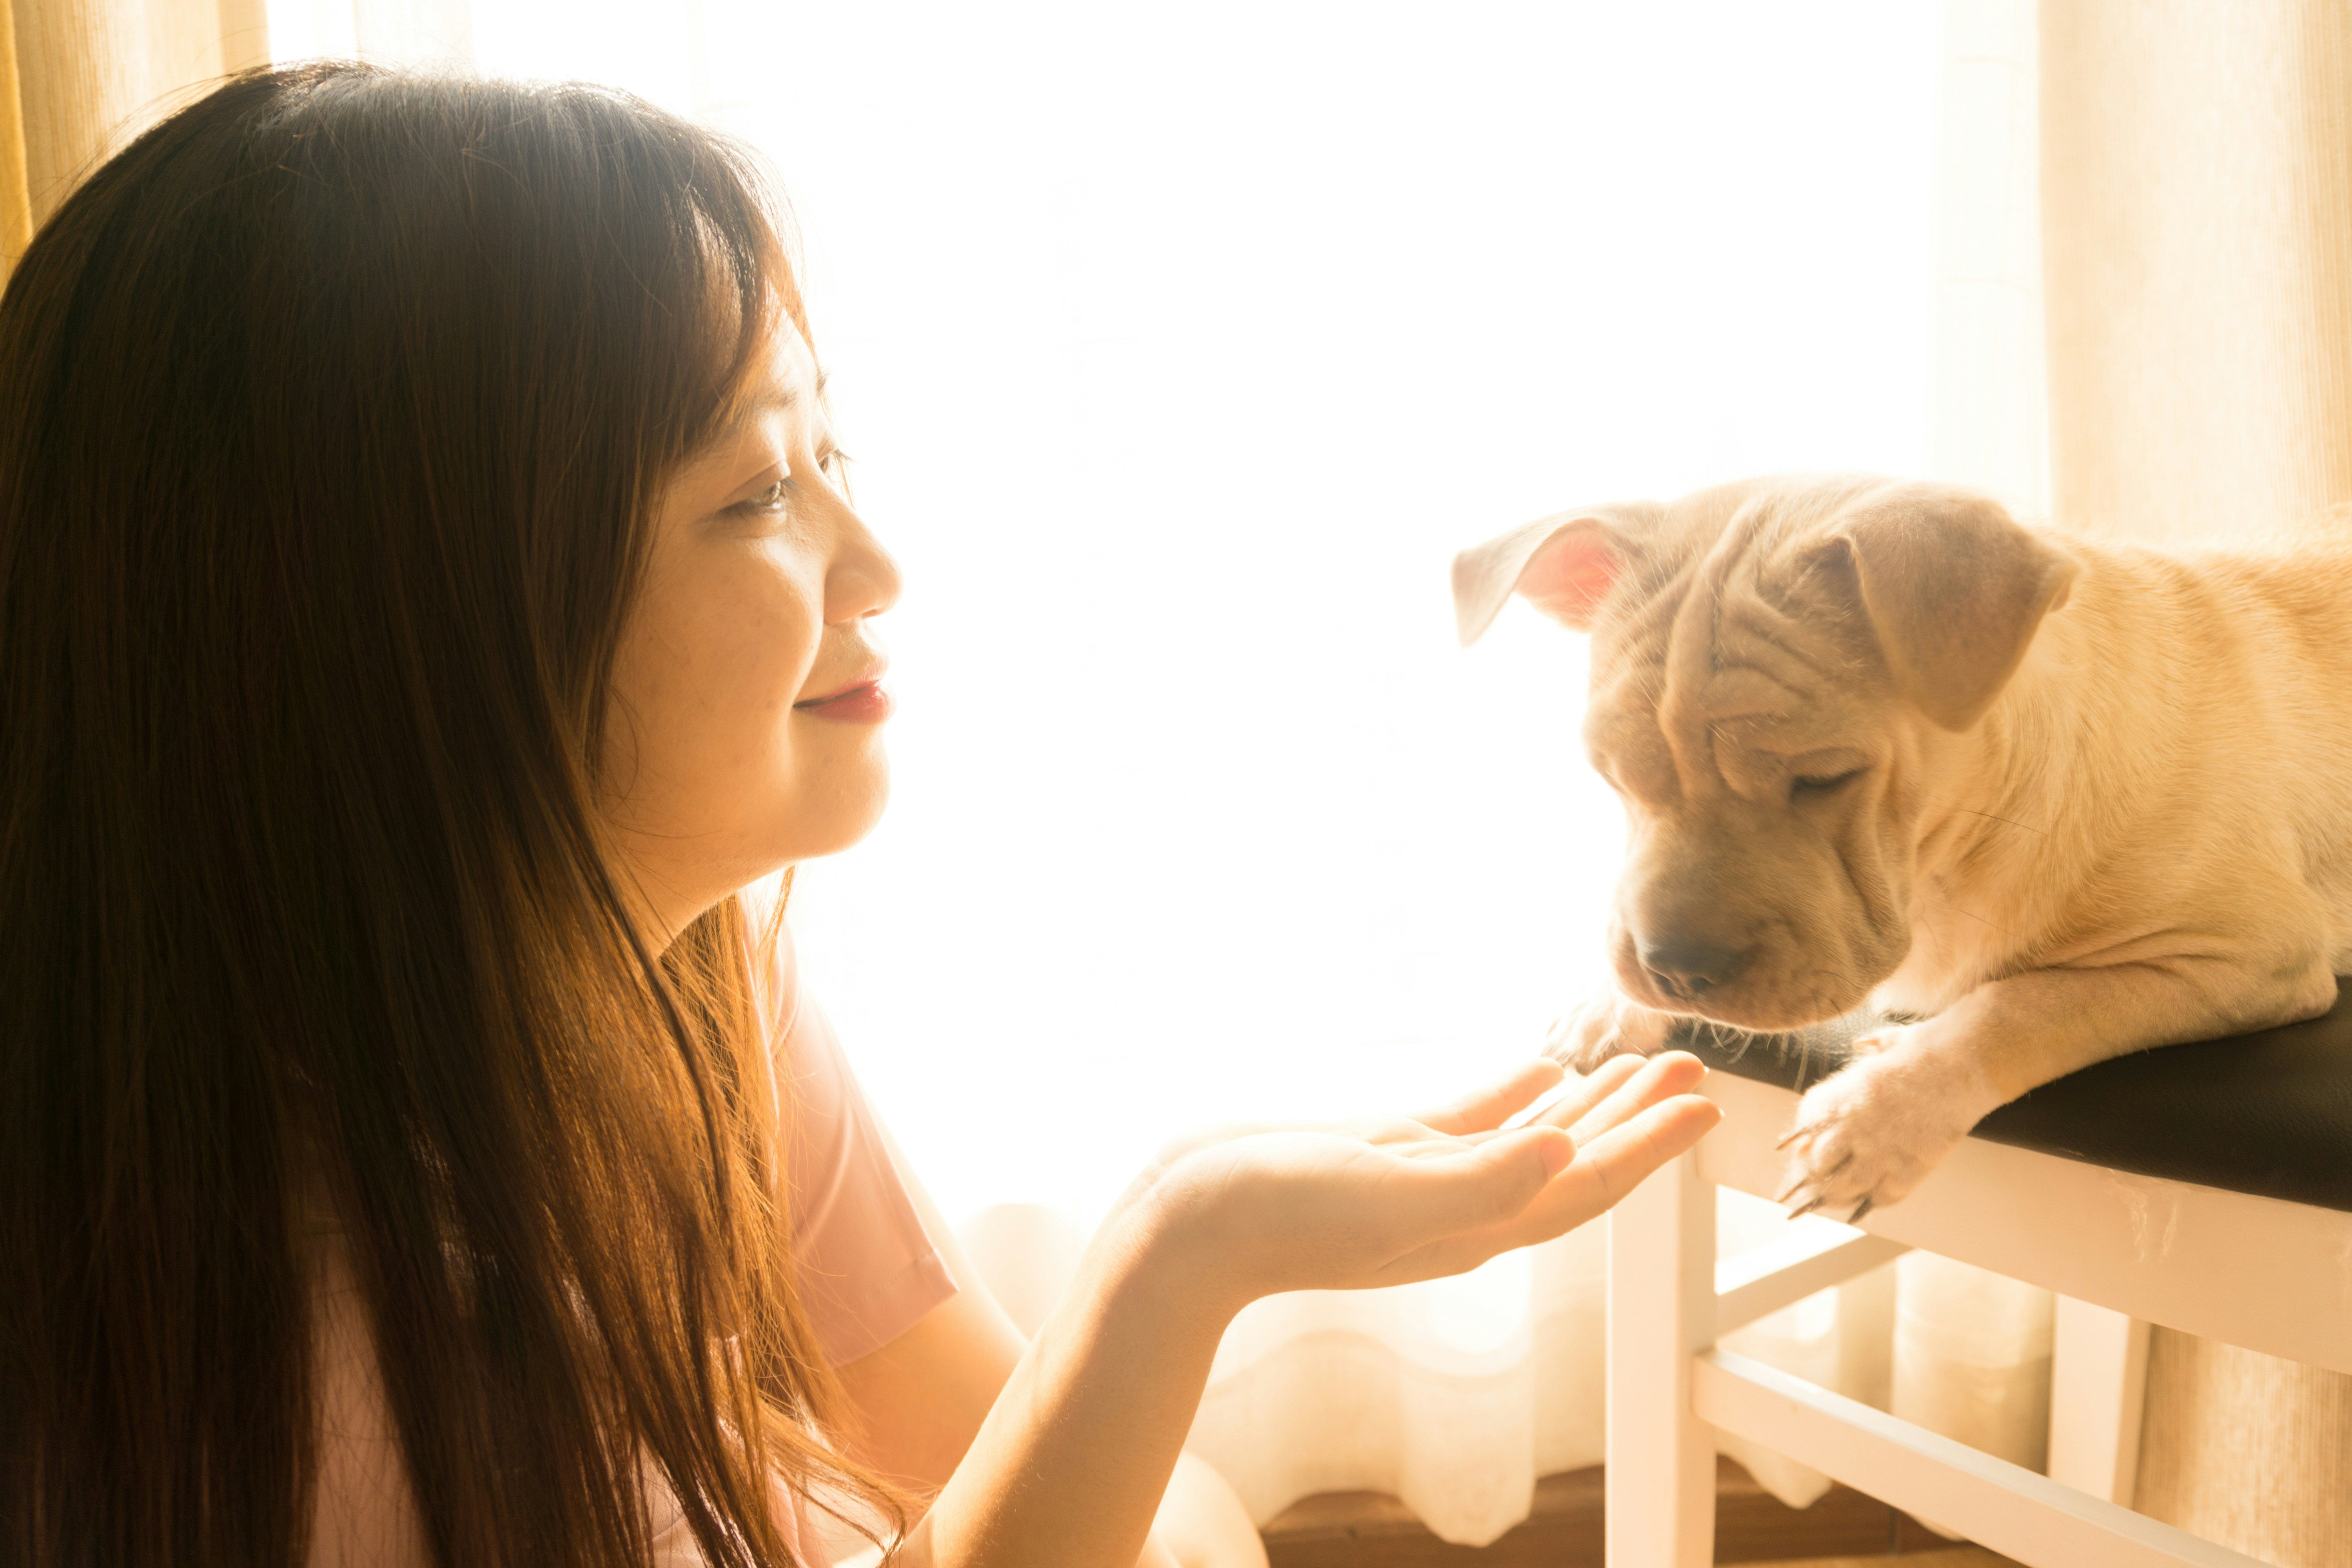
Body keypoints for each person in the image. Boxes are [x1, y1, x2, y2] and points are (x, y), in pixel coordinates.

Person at [0, 62, 1723, 1568]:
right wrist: (1182, 1260)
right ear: (407, 632)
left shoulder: (686, 976)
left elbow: (1009, 1442)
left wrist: (1182, 1243)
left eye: (834, 455)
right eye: (755, 489)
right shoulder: (328, 1396)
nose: (878, 567)